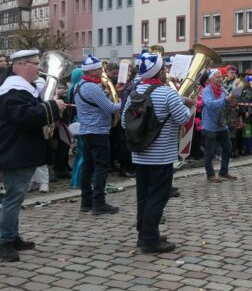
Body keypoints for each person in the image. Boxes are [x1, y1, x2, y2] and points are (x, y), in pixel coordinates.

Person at [121, 53, 194, 253]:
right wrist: (190, 106)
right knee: (158, 197)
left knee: (143, 195)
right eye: (164, 69)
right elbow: (182, 119)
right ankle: (151, 240)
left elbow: (123, 122)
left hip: (140, 154)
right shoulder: (167, 93)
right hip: (161, 155)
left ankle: (143, 235)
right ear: (160, 72)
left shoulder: (135, 92)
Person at [0, 50, 66, 262]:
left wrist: (51, 105)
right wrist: (51, 106)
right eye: (35, 64)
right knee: (13, 198)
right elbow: (25, 117)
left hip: (21, 149)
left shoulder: (20, 89)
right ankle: (4, 241)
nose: (40, 68)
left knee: (16, 197)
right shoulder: (13, 90)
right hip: (16, 150)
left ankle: (12, 236)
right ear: (20, 65)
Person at [74, 55, 121, 215]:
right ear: (92, 71)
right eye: (100, 69)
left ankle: (85, 202)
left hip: (86, 131)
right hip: (98, 132)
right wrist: (122, 101)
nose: (102, 72)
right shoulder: (93, 88)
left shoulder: (79, 85)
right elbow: (111, 108)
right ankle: (99, 203)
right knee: (101, 167)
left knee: (87, 167)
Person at [202, 68, 238, 182]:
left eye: (221, 77)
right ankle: (210, 174)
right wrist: (226, 100)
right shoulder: (206, 91)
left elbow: (226, 104)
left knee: (228, 148)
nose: (220, 79)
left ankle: (223, 171)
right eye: (218, 77)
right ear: (211, 79)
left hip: (222, 124)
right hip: (210, 125)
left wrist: (232, 102)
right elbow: (210, 104)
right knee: (210, 152)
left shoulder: (222, 89)